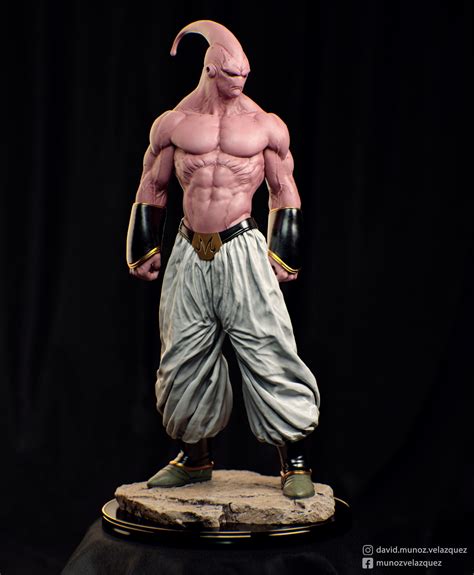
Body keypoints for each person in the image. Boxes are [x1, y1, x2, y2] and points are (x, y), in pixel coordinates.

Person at [126, 20, 320, 499]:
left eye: (245, 74)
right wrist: (143, 246)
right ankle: (194, 460)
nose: (240, 82)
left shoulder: (264, 126)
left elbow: (284, 189)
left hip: (241, 246)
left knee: (269, 347)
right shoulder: (174, 124)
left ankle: (294, 461)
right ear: (209, 70)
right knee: (182, 353)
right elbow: (153, 184)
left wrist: (284, 252)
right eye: (231, 74)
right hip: (189, 248)